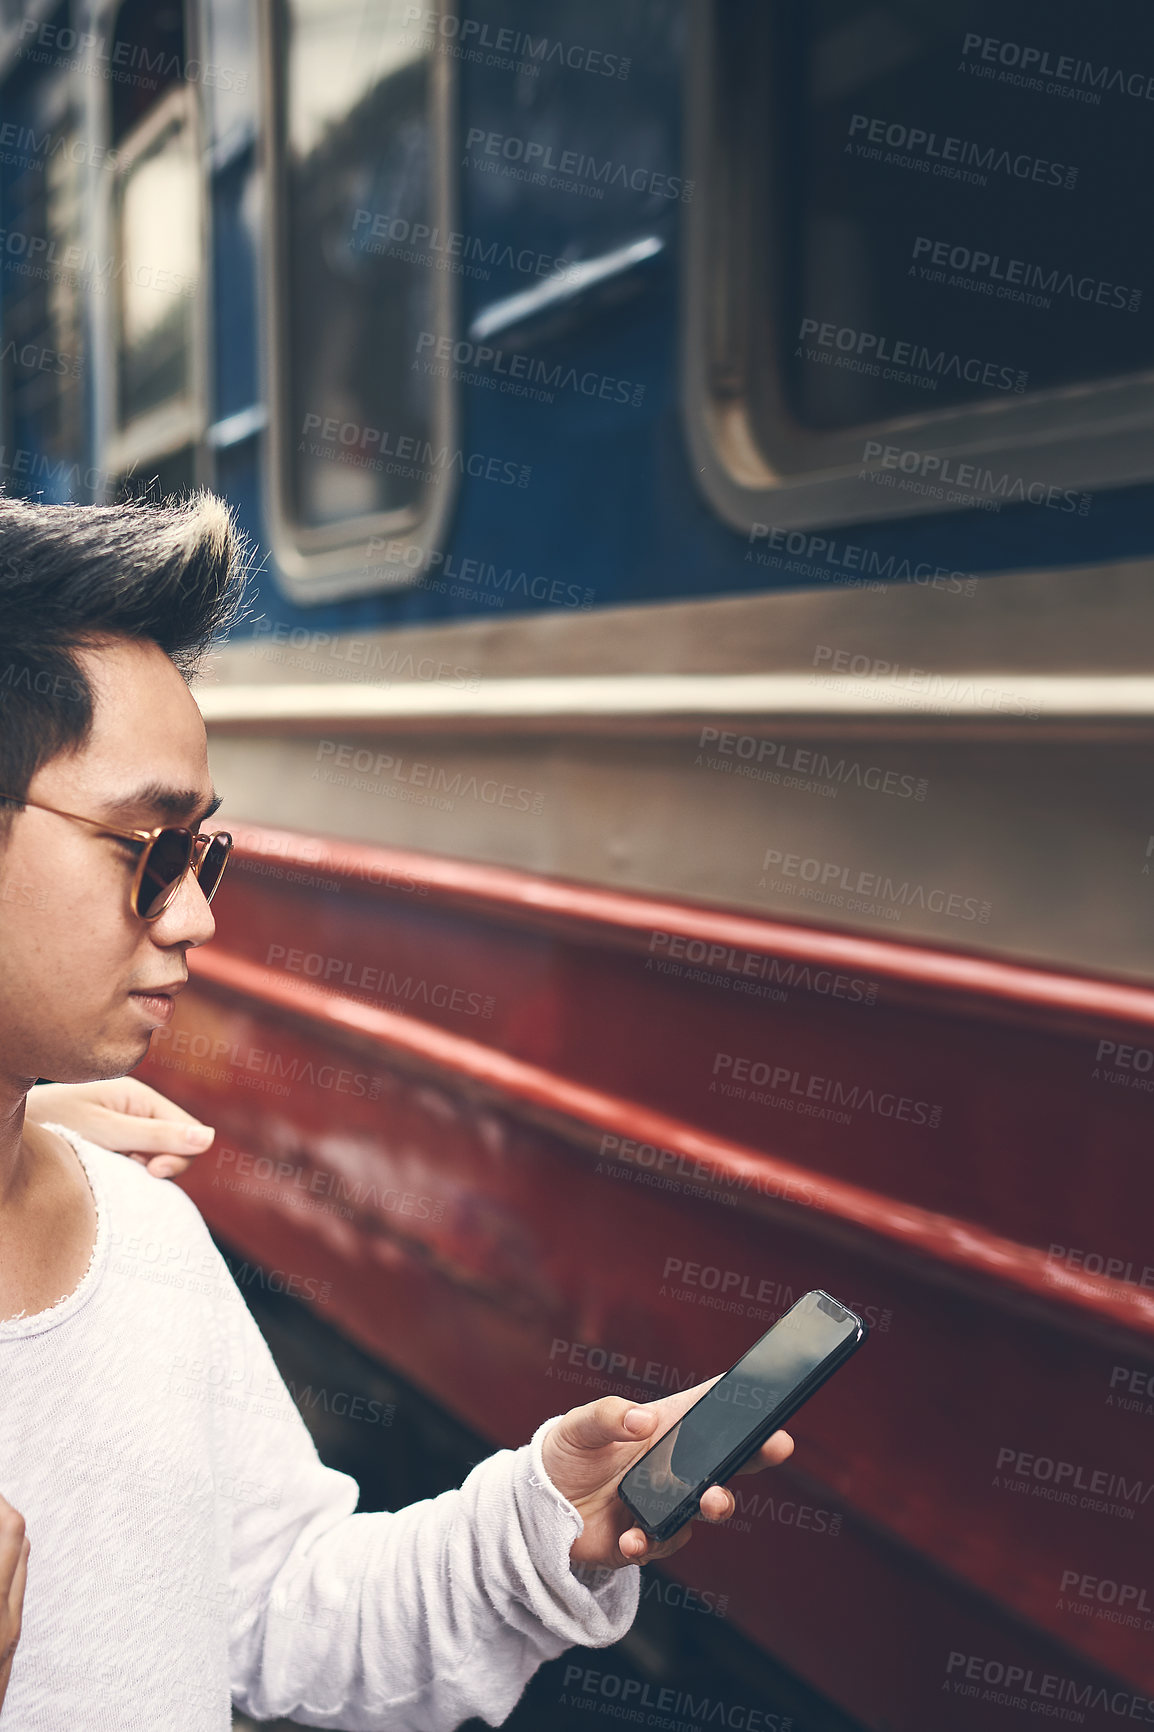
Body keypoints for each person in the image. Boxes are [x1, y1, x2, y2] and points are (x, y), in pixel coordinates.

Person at [0, 492, 795, 1728]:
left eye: (204, 855)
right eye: (148, 845)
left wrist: (546, 1526)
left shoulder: (142, 1239)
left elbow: (273, 1613)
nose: (198, 914)